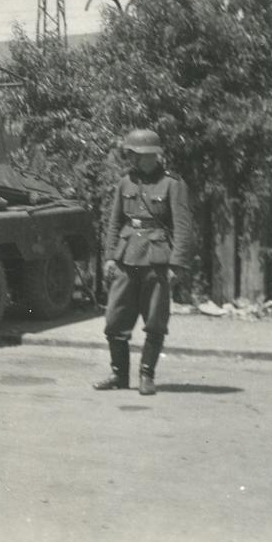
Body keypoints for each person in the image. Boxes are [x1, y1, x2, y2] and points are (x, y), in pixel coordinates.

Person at [94, 129, 194, 396]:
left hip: (157, 261)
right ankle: (119, 375)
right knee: (115, 320)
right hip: (126, 258)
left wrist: (176, 264)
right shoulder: (125, 182)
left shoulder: (172, 184)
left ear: (152, 155)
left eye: (136, 154)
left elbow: (183, 227)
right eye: (130, 154)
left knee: (155, 321)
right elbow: (115, 222)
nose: (132, 159)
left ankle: (146, 375)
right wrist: (110, 257)